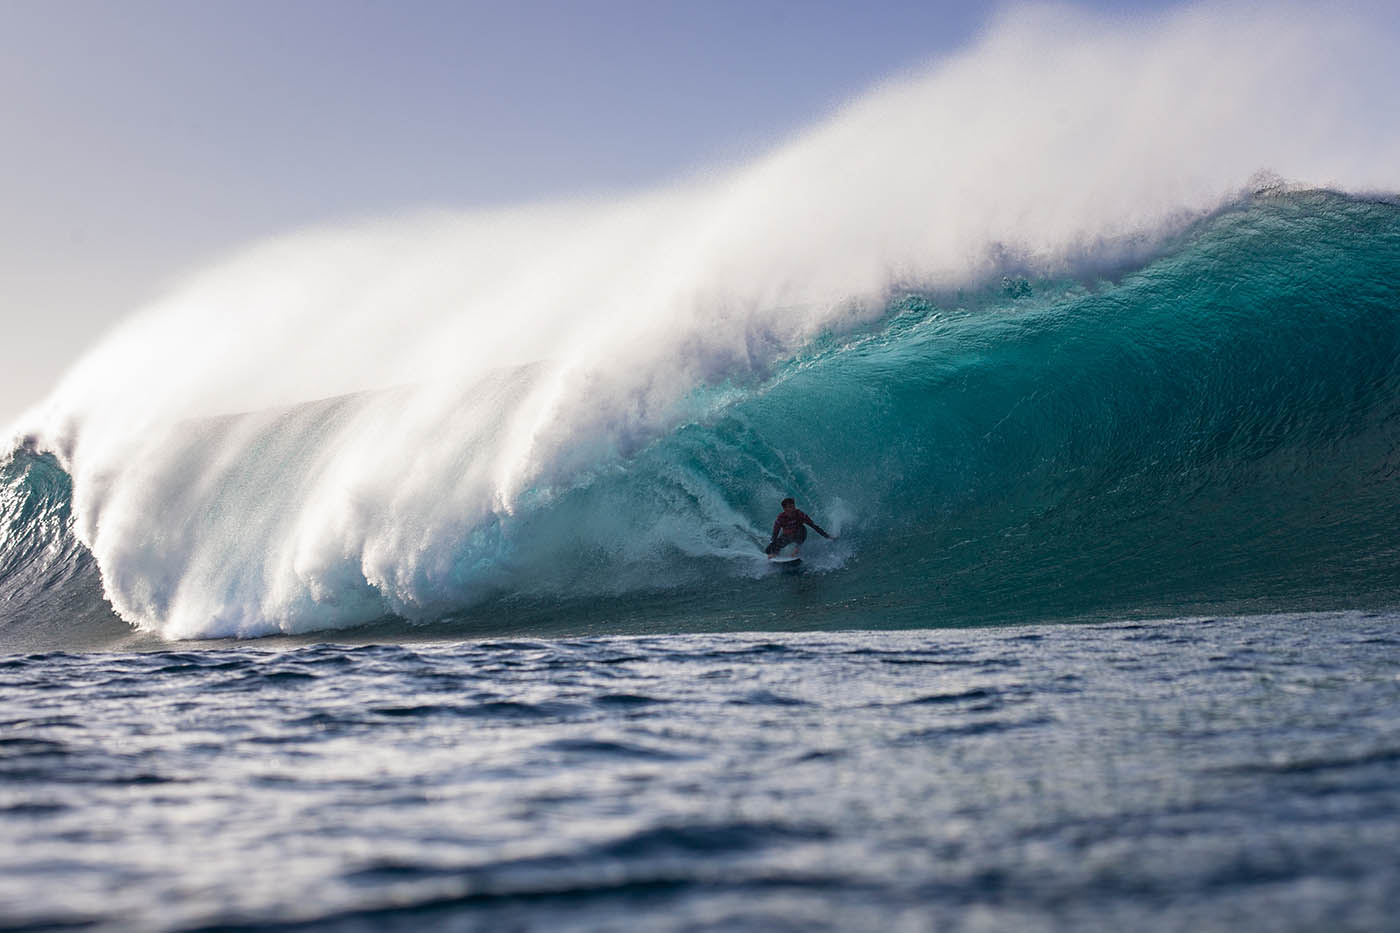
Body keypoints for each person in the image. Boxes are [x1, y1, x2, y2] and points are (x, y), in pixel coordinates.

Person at [766, 497, 831, 558]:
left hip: (799, 534)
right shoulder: (780, 518)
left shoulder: (800, 514)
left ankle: (797, 550)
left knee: (801, 529)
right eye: (790, 507)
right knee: (768, 550)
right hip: (787, 536)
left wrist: (827, 536)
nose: (793, 508)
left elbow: (814, 526)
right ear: (784, 509)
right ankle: (775, 555)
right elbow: (775, 533)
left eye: (793, 506)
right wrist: (773, 547)